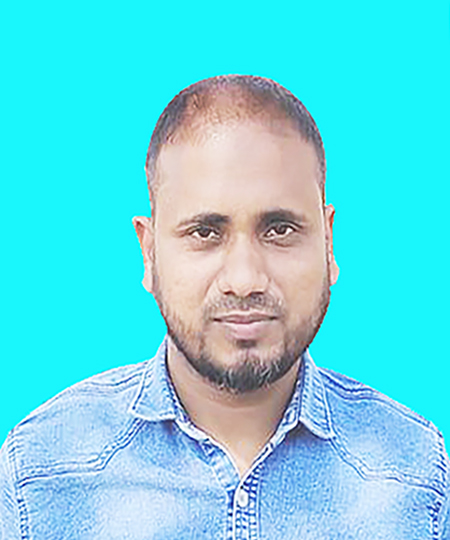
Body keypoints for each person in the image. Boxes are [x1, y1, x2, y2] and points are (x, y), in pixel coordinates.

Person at [0, 75, 448, 539]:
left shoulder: (415, 475)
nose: (244, 279)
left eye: (280, 229)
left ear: (329, 242)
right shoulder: (40, 474)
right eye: (205, 232)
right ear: (149, 253)